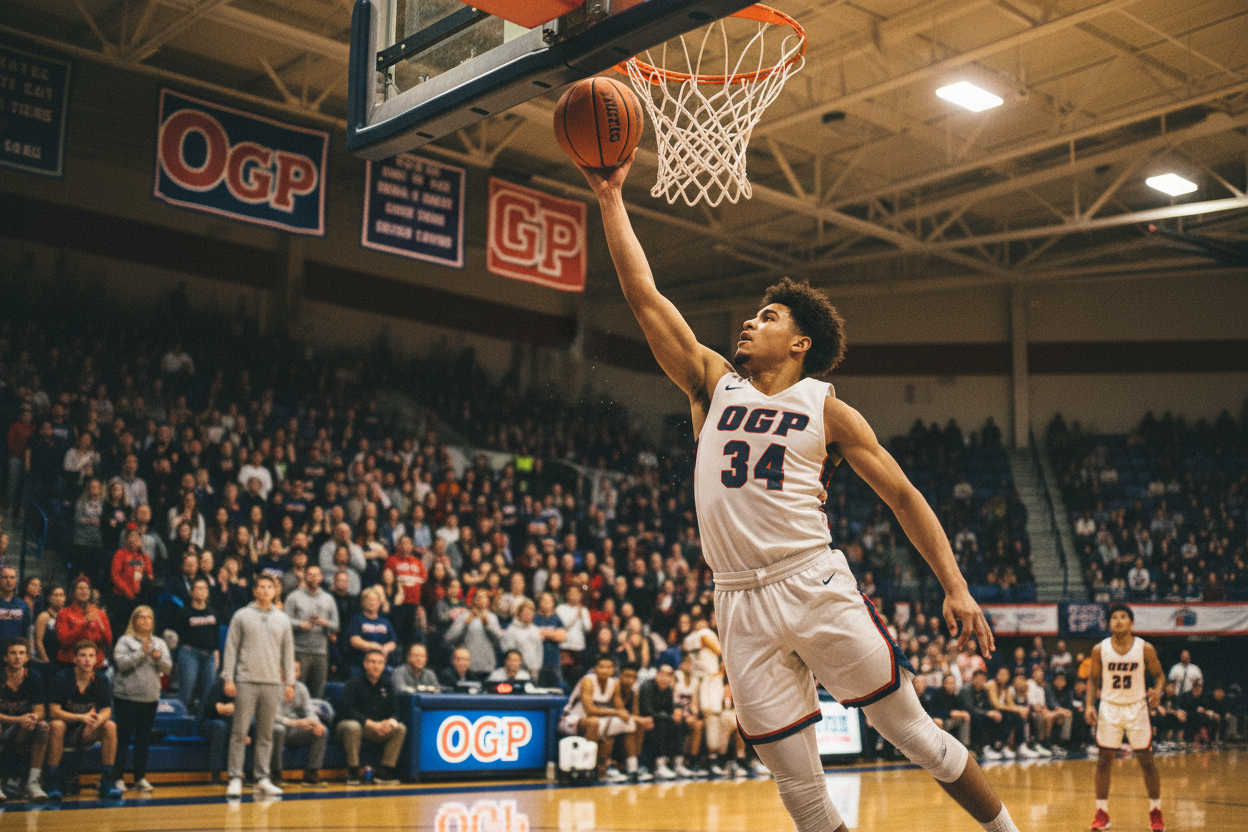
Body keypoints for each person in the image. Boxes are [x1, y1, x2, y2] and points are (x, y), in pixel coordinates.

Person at [578, 154, 1013, 832]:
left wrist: (955, 586)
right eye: (753, 314)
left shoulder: (829, 410)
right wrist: (610, 198)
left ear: (800, 342)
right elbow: (644, 298)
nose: (750, 322)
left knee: (917, 737)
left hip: (812, 582)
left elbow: (903, 497)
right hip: (737, 602)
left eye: (768, 315)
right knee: (802, 796)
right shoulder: (710, 383)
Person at [1086, 602, 1165, 832]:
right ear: (1109, 624)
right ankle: (1102, 813)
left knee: (1147, 761)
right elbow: (1093, 680)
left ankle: (1156, 811)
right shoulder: (1099, 649)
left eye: (1123, 616)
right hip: (1109, 708)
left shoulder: (1145, 648)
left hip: (1137, 708)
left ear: (1132, 622)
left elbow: (1159, 676)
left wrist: (1158, 690)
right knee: (1104, 761)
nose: (1118, 620)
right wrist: (1089, 704)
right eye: (1114, 617)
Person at [221, 573, 295, 798]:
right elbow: (231, 648)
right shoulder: (241, 615)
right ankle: (234, 777)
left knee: (266, 734)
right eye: (261, 587)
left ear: (275, 591)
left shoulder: (282, 619)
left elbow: (288, 652)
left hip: (272, 683)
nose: (264, 591)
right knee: (239, 732)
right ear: (254, 591)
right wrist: (228, 678)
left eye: (269, 587)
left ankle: (262, 778)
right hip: (245, 680)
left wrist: (289, 682)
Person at [44, 642, 122, 800]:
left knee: (110, 726)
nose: (87, 659)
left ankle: (107, 780)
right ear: (75, 659)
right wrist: (82, 717)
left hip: (86, 730)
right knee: (57, 725)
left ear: (96, 660)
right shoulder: (62, 677)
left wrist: (95, 722)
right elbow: (54, 711)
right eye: (83, 655)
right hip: (65, 729)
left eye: (91, 656)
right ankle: (52, 779)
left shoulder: (102, 679)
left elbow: (107, 710)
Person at [110, 605, 172, 793]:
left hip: (150, 698)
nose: (145, 621)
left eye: (149, 618)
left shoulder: (159, 642)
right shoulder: (125, 641)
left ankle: (140, 778)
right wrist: (142, 653)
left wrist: (158, 658)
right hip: (127, 697)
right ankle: (117, 778)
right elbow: (121, 664)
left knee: (143, 740)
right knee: (123, 738)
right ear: (134, 620)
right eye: (141, 617)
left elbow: (168, 668)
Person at [558, 654, 639, 782]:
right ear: (595, 669)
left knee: (630, 723)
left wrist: (625, 714)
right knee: (594, 723)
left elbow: (620, 708)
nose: (605, 670)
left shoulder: (614, 684)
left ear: (613, 670)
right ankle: (589, 768)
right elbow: (589, 710)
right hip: (571, 719)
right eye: (601, 667)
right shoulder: (588, 681)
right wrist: (616, 712)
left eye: (608, 667)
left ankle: (632, 768)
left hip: (597, 720)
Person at [335, 649, 406, 785]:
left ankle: (384, 773)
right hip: (348, 727)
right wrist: (371, 724)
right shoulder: (354, 683)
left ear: (384, 666)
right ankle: (353, 772)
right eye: (372, 662)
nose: (376, 666)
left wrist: (391, 721)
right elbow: (347, 710)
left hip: (375, 728)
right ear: (365, 664)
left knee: (400, 728)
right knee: (353, 726)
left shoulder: (387, 684)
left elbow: (395, 711)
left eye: (380, 663)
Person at [0, 637, 50, 801]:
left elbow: (40, 710)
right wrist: (18, 719)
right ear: (5, 657)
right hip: (5, 725)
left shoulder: (33, 677)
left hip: (21, 728)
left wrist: (32, 718)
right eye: (13, 653)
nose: (17, 657)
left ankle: (33, 783)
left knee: (42, 726)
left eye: (22, 653)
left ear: (27, 657)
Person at [270, 658, 329, 788]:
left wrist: (316, 722)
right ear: (281, 671)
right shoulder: (273, 687)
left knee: (322, 731)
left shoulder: (302, 688)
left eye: (296, 670)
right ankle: (275, 775)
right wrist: (296, 723)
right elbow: (273, 717)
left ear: (299, 673)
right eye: (289, 670)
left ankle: (311, 774)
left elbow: (309, 710)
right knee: (278, 729)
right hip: (275, 728)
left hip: (293, 730)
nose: (292, 673)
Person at [284, 564, 338, 698]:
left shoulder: (328, 599)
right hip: (299, 650)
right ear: (305, 576)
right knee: (296, 691)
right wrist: (300, 624)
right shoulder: (293, 597)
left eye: (317, 575)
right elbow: (284, 620)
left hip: (321, 652)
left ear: (321, 577)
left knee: (317, 692)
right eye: (310, 575)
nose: (313, 578)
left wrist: (323, 623)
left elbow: (336, 625)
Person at [171, 577, 219, 715]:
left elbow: (215, 637)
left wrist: (217, 655)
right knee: (186, 693)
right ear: (191, 592)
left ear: (208, 593)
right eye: (198, 588)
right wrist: (176, 659)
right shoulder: (183, 613)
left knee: (207, 695)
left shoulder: (213, 612)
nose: (201, 591)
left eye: (204, 588)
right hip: (189, 654)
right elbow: (176, 637)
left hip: (209, 655)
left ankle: (200, 725)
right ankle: (180, 723)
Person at [55, 577, 111, 669]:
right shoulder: (64, 613)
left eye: (87, 589)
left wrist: (102, 627)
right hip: (70, 663)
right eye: (80, 588)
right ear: (73, 592)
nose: (84, 591)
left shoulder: (99, 613)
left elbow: (108, 642)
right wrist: (84, 624)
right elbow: (64, 640)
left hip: (95, 663)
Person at [444, 587, 500, 679]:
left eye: (484, 597)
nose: (481, 600)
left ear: (488, 601)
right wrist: (465, 624)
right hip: (467, 667)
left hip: (487, 664)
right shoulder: (463, 616)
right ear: (473, 600)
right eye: (478, 597)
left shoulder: (492, 618)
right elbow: (451, 638)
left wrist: (487, 625)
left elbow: (498, 640)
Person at [346, 586, 398, 674]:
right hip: (360, 665)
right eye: (369, 600)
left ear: (379, 603)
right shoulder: (357, 620)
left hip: (382, 664)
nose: (372, 602)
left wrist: (386, 648)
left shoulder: (385, 622)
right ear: (363, 602)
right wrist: (373, 646)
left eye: (375, 600)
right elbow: (354, 641)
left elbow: (393, 642)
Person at [33, 584, 65, 665]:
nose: (58, 598)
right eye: (55, 595)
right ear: (49, 598)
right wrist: (46, 661)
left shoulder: (67, 615)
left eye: (61, 595)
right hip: (48, 657)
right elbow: (38, 642)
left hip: (64, 659)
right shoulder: (44, 616)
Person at [0, 566, 32, 645]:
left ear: (16, 580)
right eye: (5, 577)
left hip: (15, 652)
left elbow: (27, 631)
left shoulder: (23, 605)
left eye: (12, 577)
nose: (8, 581)